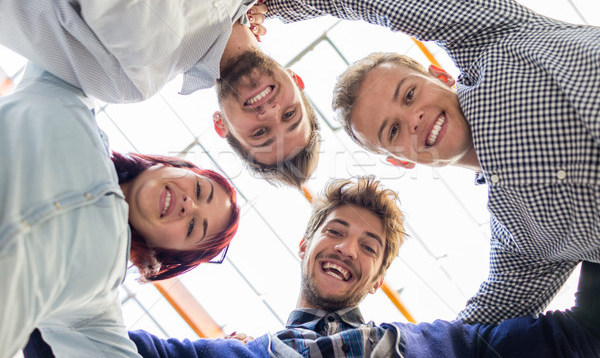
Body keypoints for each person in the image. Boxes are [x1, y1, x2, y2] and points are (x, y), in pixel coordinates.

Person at [265, 0, 600, 323]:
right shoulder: (521, 241)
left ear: (440, 75)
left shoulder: (495, 40)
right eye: (392, 131)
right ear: (400, 160)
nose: (413, 118)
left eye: (409, 95)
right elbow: (467, 336)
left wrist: (261, 3)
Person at [24, 177, 600, 357]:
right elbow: (60, 340)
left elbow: (583, 333)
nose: (347, 249)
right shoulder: (227, 355)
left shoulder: (449, 345)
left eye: (369, 247)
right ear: (304, 244)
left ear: (376, 280)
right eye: (336, 231)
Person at [0, 0, 320, 188]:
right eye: (291, 114)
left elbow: (16, 2)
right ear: (297, 79)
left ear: (222, 125)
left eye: (260, 134)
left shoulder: (131, 78)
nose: (270, 113)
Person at [0, 63, 241, 358]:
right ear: (174, 165)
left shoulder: (95, 301)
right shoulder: (70, 102)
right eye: (200, 191)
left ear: (167, 252)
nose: (189, 205)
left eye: (193, 228)